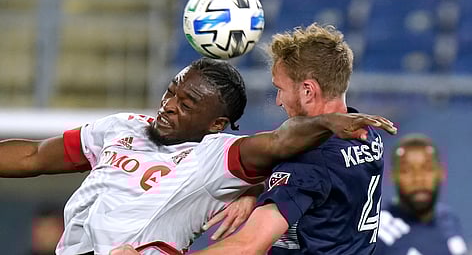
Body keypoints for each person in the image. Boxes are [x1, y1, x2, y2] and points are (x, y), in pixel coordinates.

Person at [0, 57, 395, 255]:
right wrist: (251, 192)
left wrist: (326, 123)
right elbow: (34, 156)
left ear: (215, 123)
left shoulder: (215, 157)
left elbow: (279, 142)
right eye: (171, 91)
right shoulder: (122, 126)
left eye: (187, 103)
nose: (169, 105)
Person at [111, 23, 393, 255]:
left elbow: (248, 245)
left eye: (280, 89)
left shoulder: (311, 158)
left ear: (308, 91)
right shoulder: (365, 134)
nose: (279, 101)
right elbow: (325, 185)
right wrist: (257, 189)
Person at [375, 134, 468, 255]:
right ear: (392, 175)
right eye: (407, 170)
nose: (418, 178)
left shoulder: (448, 218)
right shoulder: (377, 229)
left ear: (441, 173)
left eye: (427, 168)